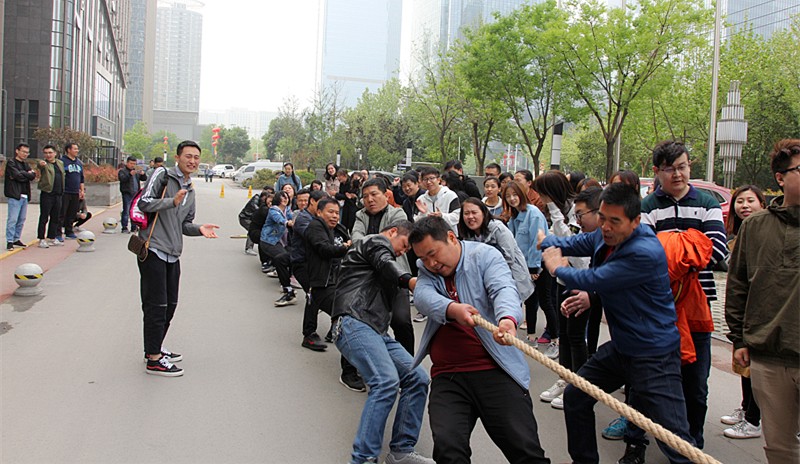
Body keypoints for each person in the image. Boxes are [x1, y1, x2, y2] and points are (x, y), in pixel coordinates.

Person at [540, 182, 695, 464]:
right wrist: (548, 242)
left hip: (654, 354)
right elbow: (578, 242)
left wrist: (556, 266)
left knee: (674, 438)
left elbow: (594, 279)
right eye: (601, 218)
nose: (606, 227)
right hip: (622, 348)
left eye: (615, 221)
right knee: (576, 397)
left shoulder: (644, 251)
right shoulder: (604, 235)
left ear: (635, 221)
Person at [410, 216, 550, 464]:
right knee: (448, 448)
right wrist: (453, 309)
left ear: (451, 238)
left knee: (525, 450)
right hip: (448, 375)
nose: (431, 263)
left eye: (434, 253)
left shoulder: (485, 256)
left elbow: (504, 289)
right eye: (424, 259)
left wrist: (507, 319)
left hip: (494, 368)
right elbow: (422, 296)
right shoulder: (427, 271)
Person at [639, 140, 728, 453]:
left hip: (698, 310)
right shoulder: (647, 207)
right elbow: (644, 257)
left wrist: (671, 248)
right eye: (669, 168)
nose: (677, 174)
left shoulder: (707, 202)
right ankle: (667, 444)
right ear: (657, 171)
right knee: (659, 385)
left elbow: (717, 250)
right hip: (658, 311)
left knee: (696, 388)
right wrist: (691, 245)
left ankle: (694, 446)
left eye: (682, 167)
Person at [332, 220, 434, 464]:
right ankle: (363, 458)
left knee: (418, 377)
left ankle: (401, 450)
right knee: (385, 381)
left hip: (376, 331)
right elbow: (385, 261)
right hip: (353, 321)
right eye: (405, 245)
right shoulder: (374, 242)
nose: (403, 251)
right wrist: (411, 281)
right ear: (392, 232)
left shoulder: (383, 258)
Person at [726, 139, 799, 464]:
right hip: (769, 357)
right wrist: (739, 337)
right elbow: (738, 285)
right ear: (780, 177)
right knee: (780, 448)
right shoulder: (756, 227)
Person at [137, 141, 219, 376]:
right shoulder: (162, 174)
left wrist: (199, 228)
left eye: (196, 157)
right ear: (177, 157)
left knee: (170, 305)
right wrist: (170, 202)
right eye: (188, 156)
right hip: (153, 249)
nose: (192, 161)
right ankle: (153, 359)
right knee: (157, 305)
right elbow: (144, 202)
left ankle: (154, 347)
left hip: (173, 253)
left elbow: (184, 224)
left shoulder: (190, 188)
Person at [532, 170, 590, 408]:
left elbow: (572, 242)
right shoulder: (555, 211)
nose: (541, 198)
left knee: (576, 337)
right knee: (565, 336)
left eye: (543, 193)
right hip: (562, 281)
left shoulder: (574, 210)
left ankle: (579, 386)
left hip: (581, 281)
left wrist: (555, 213)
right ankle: (564, 379)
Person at [719, 184, 766, 440]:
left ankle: (753, 418)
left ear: (762, 203)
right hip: (744, 311)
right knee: (744, 364)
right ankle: (747, 408)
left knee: (757, 367)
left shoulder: (767, 232)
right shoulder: (738, 237)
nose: (744, 205)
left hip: (763, 312)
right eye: (740, 201)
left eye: (751, 200)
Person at [351, 178, 415, 354]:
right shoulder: (360, 215)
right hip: (368, 278)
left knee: (401, 321)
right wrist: (381, 239)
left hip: (395, 274)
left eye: (374, 194)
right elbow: (356, 240)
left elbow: (366, 242)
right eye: (365, 196)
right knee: (363, 322)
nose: (369, 199)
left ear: (386, 195)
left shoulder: (397, 215)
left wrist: (368, 242)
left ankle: (409, 365)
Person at [502, 181, 556, 356]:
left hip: (539, 265)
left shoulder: (533, 214)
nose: (512, 199)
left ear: (522, 194)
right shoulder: (514, 216)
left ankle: (556, 340)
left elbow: (536, 242)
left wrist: (534, 268)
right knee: (530, 302)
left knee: (546, 302)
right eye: (508, 196)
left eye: (514, 195)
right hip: (523, 267)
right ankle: (531, 337)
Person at [457, 198, 534, 306]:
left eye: (474, 212)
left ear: (483, 213)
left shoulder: (498, 228)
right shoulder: (467, 235)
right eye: (466, 213)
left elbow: (509, 258)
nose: (470, 217)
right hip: (484, 283)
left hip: (510, 279)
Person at [260, 191, 296, 306]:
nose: (285, 199)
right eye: (282, 198)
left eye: (286, 197)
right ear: (277, 199)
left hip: (281, 242)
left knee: (288, 259)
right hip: (269, 241)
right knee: (281, 259)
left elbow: (293, 218)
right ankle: (288, 290)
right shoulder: (274, 210)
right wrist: (288, 223)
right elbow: (279, 220)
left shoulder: (287, 210)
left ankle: (287, 284)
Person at [4, 143, 36, 250]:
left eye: (27, 152)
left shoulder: (25, 164)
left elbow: (32, 176)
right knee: (12, 219)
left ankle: (16, 238)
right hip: (15, 195)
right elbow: (17, 176)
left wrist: (25, 174)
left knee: (21, 219)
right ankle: (9, 241)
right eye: (23, 151)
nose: (25, 154)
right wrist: (26, 174)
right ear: (17, 151)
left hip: (25, 195)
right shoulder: (11, 163)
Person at [36, 145, 65, 248]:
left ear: (55, 153)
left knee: (55, 217)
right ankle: (41, 239)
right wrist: (41, 164)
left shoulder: (60, 163)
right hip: (47, 194)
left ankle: (52, 237)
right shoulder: (44, 164)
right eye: (46, 153)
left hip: (58, 194)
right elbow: (40, 165)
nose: (48, 155)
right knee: (44, 216)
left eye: (50, 152)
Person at [414, 167, 461, 232]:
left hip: (448, 235)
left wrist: (442, 216)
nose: (428, 182)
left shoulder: (450, 195)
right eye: (425, 179)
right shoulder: (421, 199)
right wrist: (424, 214)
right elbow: (415, 221)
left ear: (439, 180)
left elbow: (457, 217)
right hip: (428, 236)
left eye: (431, 178)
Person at [58, 142, 85, 241]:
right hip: (65, 191)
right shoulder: (62, 161)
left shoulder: (78, 162)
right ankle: (58, 233)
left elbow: (81, 178)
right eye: (75, 149)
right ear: (68, 150)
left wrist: (82, 191)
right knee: (62, 213)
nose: (77, 151)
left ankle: (69, 231)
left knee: (72, 213)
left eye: (77, 149)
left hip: (75, 192)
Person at [118, 156, 148, 234]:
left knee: (133, 210)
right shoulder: (123, 171)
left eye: (134, 164)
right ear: (127, 163)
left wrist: (143, 174)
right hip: (127, 193)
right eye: (131, 163)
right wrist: (130, 174)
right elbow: (122, 179)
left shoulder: (136, 171)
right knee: (126, 210)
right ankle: (124, 227)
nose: (132, 165)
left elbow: (144, 179)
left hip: (136, 193)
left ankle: (134, 227)